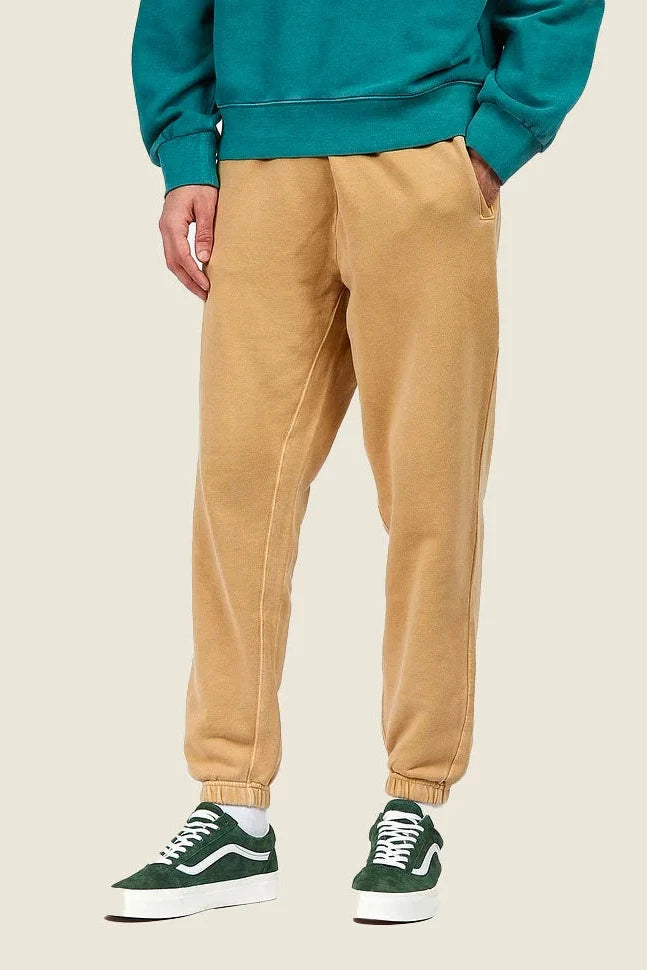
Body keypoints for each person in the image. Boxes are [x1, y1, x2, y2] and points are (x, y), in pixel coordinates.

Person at [110, 0, 603, 923]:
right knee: (236, 491)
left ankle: (414, 797)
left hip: (425, 158)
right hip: (256, 167)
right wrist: (183, 151)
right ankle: (231, 808)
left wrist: (496, 139)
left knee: (428, 491)